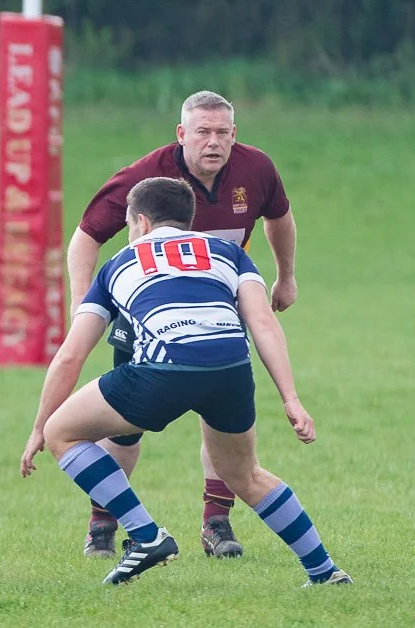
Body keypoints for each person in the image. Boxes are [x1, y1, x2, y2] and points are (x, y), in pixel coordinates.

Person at [20, 176, 350, 587]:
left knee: (62, 432)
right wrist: (291, 398)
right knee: (245, 474)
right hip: (231, 369)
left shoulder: (119, 262)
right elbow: (263, 323)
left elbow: (72, 354)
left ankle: (146, 537)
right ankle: (324, 572)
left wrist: (39, 427)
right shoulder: (229, 252)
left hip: (164, 368)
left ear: (140, 221)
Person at [66, 90, 298, 559]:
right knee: (123, 428)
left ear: (234, 134)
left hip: (217, 311)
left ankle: (217, 525)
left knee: (220, 419)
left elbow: (279, 218)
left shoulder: (256, 169)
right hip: (146, 316)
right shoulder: (146, 177)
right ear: (181, 134)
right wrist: (82, 308)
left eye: (222, 133)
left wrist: (286, 277)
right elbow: (86, 237)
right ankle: (102, 525)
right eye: (202, 132)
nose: (213, 142)